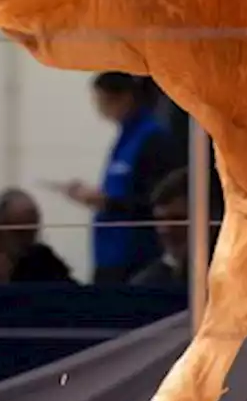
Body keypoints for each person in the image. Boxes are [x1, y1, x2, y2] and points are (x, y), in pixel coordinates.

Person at [51, 73, 182, 285]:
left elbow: (155, 200)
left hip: (134, 255)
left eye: (104, 101)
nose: (100, 109)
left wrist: (106, 202)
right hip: (110, 253)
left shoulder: (152, 139)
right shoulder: (126, 137)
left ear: (125, 98)